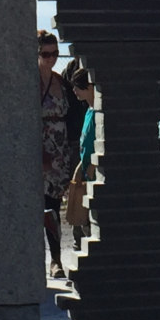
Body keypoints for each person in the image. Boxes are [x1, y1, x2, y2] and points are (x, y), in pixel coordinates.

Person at [38, 30, 71, 280]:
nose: (51, 58)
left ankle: (56, 258)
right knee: (43, 207)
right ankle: (50, 260)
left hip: (60, 150)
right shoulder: (34, 82)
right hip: (42, 148)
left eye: (55, 53)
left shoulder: (61, 80)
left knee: (54, 207)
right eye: (46, 54)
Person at [66, 66, 96, 251]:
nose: (74, 91)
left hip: (95, 172)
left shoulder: (100, 113)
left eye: (78, 86)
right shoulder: (88, 111)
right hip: (85, 170)